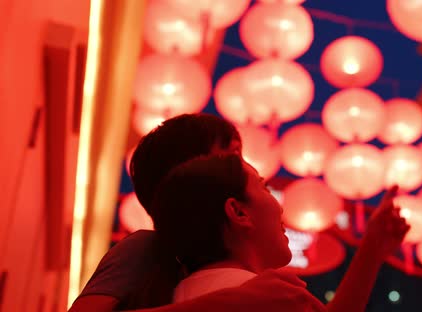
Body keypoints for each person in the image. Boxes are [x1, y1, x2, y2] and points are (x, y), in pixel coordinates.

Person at [69, 114, 321, 312]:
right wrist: (235, 300)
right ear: (191, 172)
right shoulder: (147, 248)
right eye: (233, 154)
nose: (244, 166)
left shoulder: (217, 267)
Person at [151, 153, 410, 312]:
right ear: (239, 213)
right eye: (265, 188)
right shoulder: (268, 299)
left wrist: (372, 250)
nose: (280, 206)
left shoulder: (179, 294)